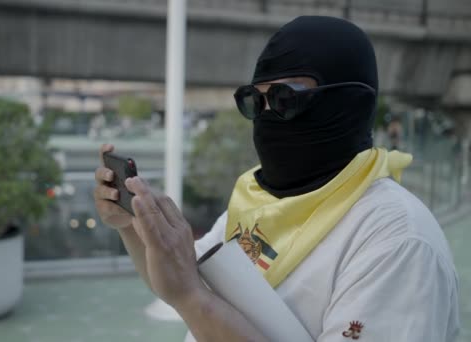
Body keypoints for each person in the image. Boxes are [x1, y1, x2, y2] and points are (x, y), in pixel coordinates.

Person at [94, 16, 460, 341]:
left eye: (286, 98)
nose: (267, 116)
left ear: (350, 103)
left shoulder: (396, 239)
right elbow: (177, 283)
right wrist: (131, 224)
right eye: (256, 101)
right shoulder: (261, 200)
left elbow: (191, 295)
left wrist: (192, 298)